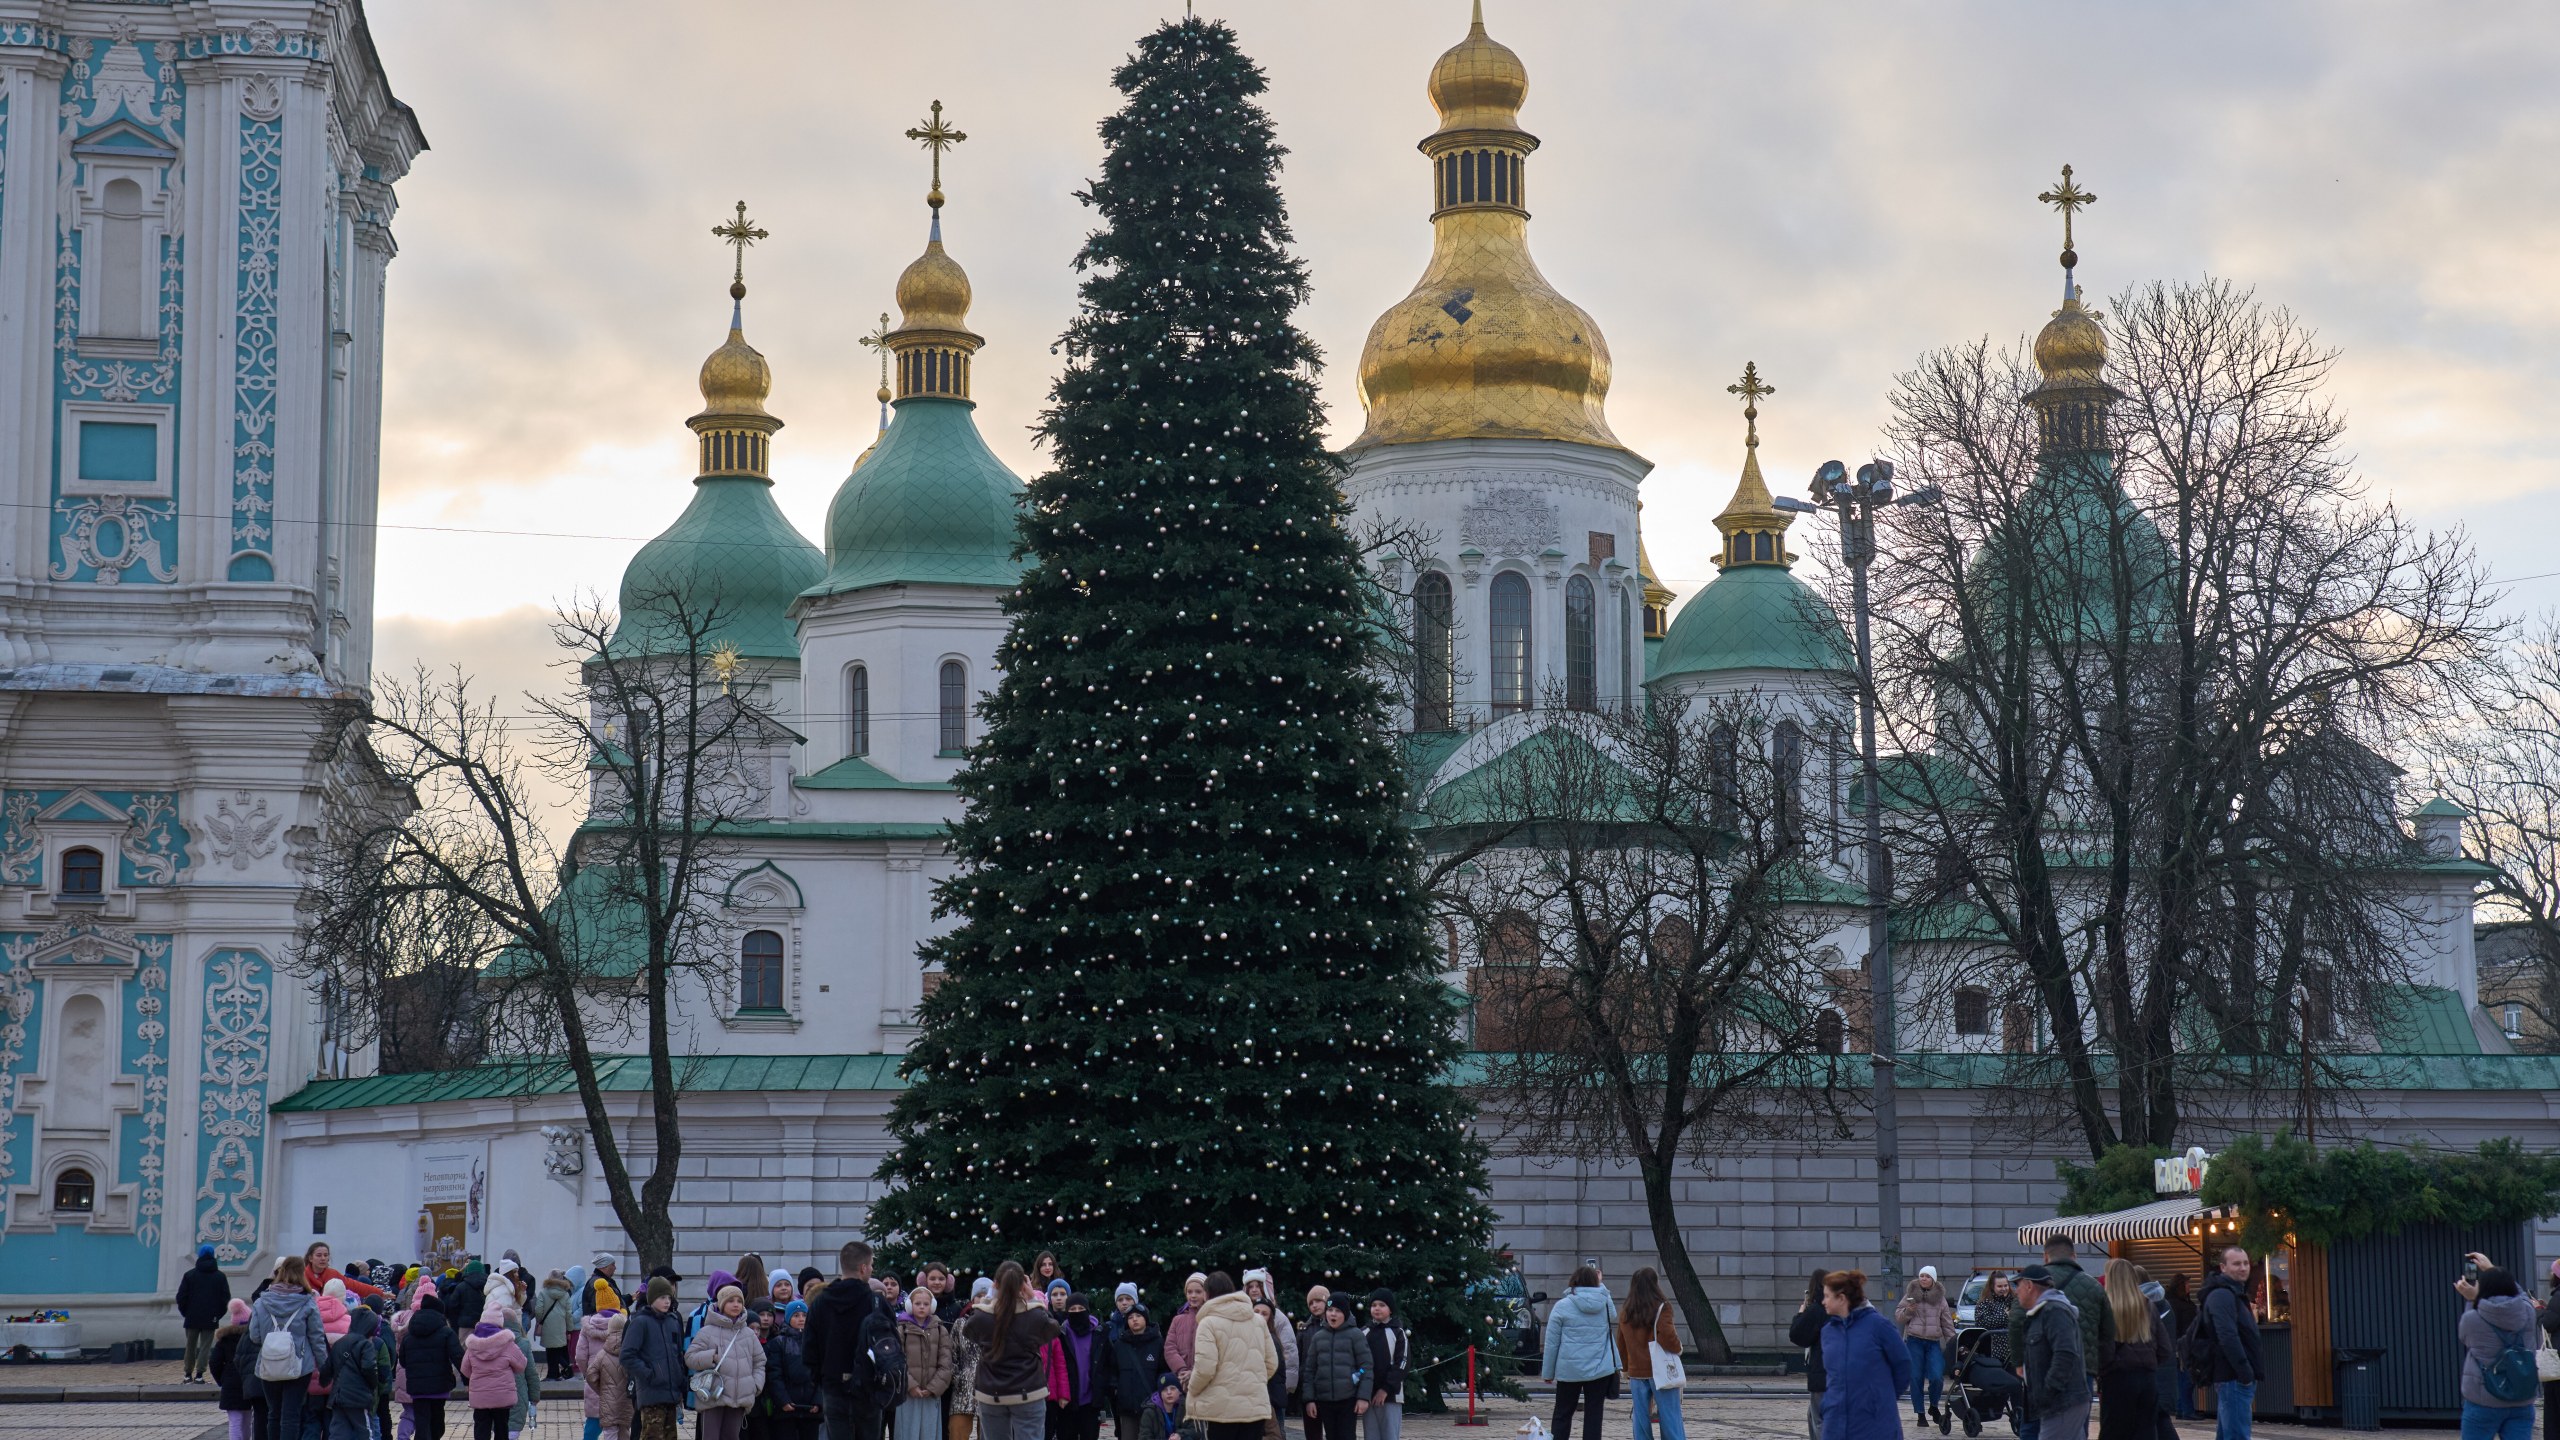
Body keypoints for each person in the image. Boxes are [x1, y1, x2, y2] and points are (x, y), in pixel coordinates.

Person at [963, 1261, 1064, 1440]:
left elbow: (969, 1329)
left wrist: (989, 1298)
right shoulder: (1033, 1316)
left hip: (991, 1392)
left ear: (995, 1285)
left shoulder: (983, 1317)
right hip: (1029, 1391)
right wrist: (1034, 1299)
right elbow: (1053, 1328)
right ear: (1023, 1285)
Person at [1817, 1270, 1909, 1440]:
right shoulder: (1828, 1332)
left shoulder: (1879, 1326)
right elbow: (1832, 1376)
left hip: (1874, 1424)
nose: (1823, 1301)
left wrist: (1881, 1399)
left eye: (1827, 1296)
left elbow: (1903, 1364)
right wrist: (1828, 1404)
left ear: (1841, 1298)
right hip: (1835, 1425)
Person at [1188, 1272, 1280, 1440]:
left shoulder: (1208, 1323)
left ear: (1207, 1294)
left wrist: (1193, 1389)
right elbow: (1272, 1362)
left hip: (1222, 1408)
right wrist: (1251, 1381)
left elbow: (1205, 1368)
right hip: (1255, 1406)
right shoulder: (1258, 1321)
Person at [807, 1242, 884, 1440]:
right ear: (863, 1268)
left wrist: (823, 1379)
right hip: (868, 1388)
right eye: (871, 1265)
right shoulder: (876, 1303)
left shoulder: (820, 1303)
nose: (872, 1269)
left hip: (832, 1386)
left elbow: (809, 1351)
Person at [2457, 1256, 2539, 1440]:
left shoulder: (2473, 1318)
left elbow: (2465, 1337)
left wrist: (2472, 1299)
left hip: (2483, 1397)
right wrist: (2492, 1268)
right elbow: (2522, 1296)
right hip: (2521, 1398)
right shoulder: (2528, 1312)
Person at [250, 1254, 330, 1440]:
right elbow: (317, 1337)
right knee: (291, 1415)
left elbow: (254, 1335)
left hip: (269, 1363)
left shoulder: (262, 1302)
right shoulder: (307, 1301)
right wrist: (324, 1365)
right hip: (300, 1365)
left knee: (274, 1413)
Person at [1541, 1265, 1620, 1440]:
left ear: (1574, 1281)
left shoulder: (1562, 1306)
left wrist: (1548, 1372)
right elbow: (1613, 1316)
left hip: (1569, 1369)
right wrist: (1602, 1286)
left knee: (1562, 1413)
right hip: (1599, 1369)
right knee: (1594, 1415)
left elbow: (1552, 1343)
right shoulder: (1605, 1303)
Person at [2192, 1246, 2262, 1440]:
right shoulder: (2223, 1295)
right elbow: (2227, 1336)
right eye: (2237, 1263)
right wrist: (2245, 1372)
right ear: (2223, 1267)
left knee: (2229, 1434)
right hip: (2233, 1376)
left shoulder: (2233, 1293)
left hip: (2234, 1377)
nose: (2243, 1268)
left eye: (2246, 1263)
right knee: (2236, 1435)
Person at [687, 1283, 771, 1440]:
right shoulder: (707, 1331)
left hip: (739, 1398)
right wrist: (711, 1357)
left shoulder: (748, 1334)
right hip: (713, 1397)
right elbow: (690, 1358)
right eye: (731, 1300)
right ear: (722, 1303)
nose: (736, 1304)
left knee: (732, 1436)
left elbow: (760, 1362)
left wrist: (755, 1385)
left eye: (739, 1301)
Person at [2015, 1266, 2089, 1440]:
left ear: (2029, 1286)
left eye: (2018, 1285)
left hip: (2062, 1402)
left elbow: (2065, 1354)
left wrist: (2048, 1391)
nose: (2015, 1291)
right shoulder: (2042, 1313)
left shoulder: (2054, 1311)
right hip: (2059, 1402)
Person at [2096, 1259, 2167, 1440]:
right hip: (2147, 1379)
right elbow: (2165, 1348)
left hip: (2117, 1379)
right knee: (2146, 1430)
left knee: (2114, 1431)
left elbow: (2105, 1350)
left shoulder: (2107, 1308)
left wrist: (2104, 1370)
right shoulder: (2148, 1306)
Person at [1618, 1268, 1684, 1440]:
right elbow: (1668, 1336)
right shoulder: (1662, 1307)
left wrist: (1625, 1368)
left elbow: (1621, 1342)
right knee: (1670, 1417)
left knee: (1640, 1419)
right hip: (1660, 1371)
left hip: (1636, 1371)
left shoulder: (1626, 1310)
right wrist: (1678, 1348)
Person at [623, 1276, 690, 1440]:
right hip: (651, 1393)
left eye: (669, 1297)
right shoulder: (640, 1322)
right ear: (652, 1298)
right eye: (662, 1297)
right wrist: (649, 1374)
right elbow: (627, 1356)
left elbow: (677, 1354)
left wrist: (680, 1379)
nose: (667, 1301)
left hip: (671, 1392)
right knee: (652, 1435)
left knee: (670, 1436)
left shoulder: (673, 1321)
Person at [1895, 1265, 1957, 1430]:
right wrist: (1908, 1311)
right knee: (1915, 1377)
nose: (1923, 1279)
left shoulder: (1940, 1299)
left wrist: (1954, 1343)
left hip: (1933, 1342)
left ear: (1933, 1279)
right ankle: (1920, 1413)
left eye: (1927, 1276)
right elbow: (1899, 1316)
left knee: (1937, 1376)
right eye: (1921, 1275)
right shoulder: (1910, 1294)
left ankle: (1934, 1406)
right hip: (1914, 1341)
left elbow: (1947, 1324)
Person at [1298, 1295, 1366, 1440]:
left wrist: (1363, 1396)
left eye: (1337, 1310)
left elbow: (1366, 1367)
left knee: (1346, 1436)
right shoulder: (1318, 1337)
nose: (1333, 1314)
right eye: (1330, 1310)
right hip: (1325, 1400)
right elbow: (1309, 1371)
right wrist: (1309, 1399)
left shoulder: (1356, 1335)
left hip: (1348, 1399)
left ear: (1345, 1314)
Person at [402, 1284, 465, 1440]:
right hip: (439, 1385)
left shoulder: (410, 1334)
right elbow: (457, 1356)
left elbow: (403, 1360)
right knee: (437, 1421)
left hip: (417, 1388)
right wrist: (468, 1378)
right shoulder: (446, 1332)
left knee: (422, 1423)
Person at [463, 1294, 529, 1440]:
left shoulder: (472, 1345)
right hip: (502, 1396)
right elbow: (522, 1365)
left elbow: (465, 1369)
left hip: (480, 1396)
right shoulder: (507, 1343)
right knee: (501, 1428)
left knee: (481, 1428)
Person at [324, 1304, 394, 1440]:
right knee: (365, 1431)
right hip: (358, 1396)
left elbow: (329, 1367)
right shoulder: (367, 1343)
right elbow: (369, 1368)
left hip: (339, 1395)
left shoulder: (342, 1341)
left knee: (338, 1431)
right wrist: (373, 1384)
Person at [897, 1285, 956, 1440]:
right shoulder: (901, 1329)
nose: (922, 1307)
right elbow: (897, 1360)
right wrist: (911, 1385)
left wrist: (933, 1388)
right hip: (909, 1394)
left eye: (926, 1304)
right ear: (910, 1305)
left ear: (932, 1306)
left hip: (931, 1394)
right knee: (907, 1433)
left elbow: (946, 1362)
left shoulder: (940, 1330)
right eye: (917, 1303)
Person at [1047, 1292, 1108, 1440]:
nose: (1077, 1312)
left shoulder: (1099, 1334)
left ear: (1087, 1310)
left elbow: (1107, 1365)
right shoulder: (1061, 1333)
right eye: (1072, 1309)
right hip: (1067, 1400)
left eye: (1080, 1308)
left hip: (1091, 1401)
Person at [1107, 1306, 1167, 1440]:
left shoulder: (1158, 1343)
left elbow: (1163, 1372)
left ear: (1146, 1319)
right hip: (1127, 1405)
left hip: (1153, 1405)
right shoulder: (1119, 1345)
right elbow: (1112, 1371)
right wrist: (1116, 1390)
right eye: (1130, 1317)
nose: (1134, 1320)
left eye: (1138, 1316)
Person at [179, 1243, 235, 1384]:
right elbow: (225, 1299)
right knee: (205, 1346)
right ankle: (199, 1374)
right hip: (211, 1317)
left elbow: (181, 1297)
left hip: (192, 1316)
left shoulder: (189, 1275)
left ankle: (187, 1373)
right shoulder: (220, 1277)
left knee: (190, 1345)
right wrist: (218, 1314)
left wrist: (186, 1312)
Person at [767, 1300, 823, 1440]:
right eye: (796, 1315)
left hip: (811, 1409)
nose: (801, 1319)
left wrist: (818, 1401)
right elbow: (774, 1374)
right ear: (788, 1318)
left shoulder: (817, 1342)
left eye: (804, 1315)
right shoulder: (778, 1343)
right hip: (786, 1410)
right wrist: (783, 1400)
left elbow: (822, 1374)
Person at [1789, 1268, 1829, 1440]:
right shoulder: (1844, 1308)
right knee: (1814, 1416)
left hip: (1822, 1372)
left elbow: (1798, 1335)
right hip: (1843, 1373)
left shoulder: (1817, 1310)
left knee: (1819, 1419)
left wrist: (1800, 1314)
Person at [583, 1308, 634, 1440]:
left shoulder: (602, 1354)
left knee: (610, 1433)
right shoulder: (631, 1352)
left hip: (607, 1401)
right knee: (625, 1431)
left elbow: (590, 1374)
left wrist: (601, 1388)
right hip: (626, 1401)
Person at [952, 1279, 994, 1440]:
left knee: (988, 1434)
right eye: (979, 1296)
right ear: (973, 1299)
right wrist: (958, 1377)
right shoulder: (961, 1323)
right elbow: (952, 1354)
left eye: (987, 1295)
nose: (983, 1299)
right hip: (963, 1390)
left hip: (991, 1388)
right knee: (957, 1432)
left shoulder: (998, 1323)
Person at [215, 1298, 260, 1440]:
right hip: (249, 1382)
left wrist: (221, 1379)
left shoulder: (225, 1340)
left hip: (230, 1383)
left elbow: (214, 1362)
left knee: (234, 1421)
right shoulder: (254, 1338)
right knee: (247, 1420)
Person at [2162, 1275, 2198, 1421]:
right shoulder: (2178, 1304)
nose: (2190, 1286)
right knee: (2186, 1378)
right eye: (2187, 1283)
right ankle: (2186, 1410)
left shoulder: (2173, 1303)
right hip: (2182, 1345)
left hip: (2179, 1345)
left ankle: (2182, 1409)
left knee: (2182, 1378)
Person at [1164, 1275, 1208, 1390]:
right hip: (1180, 1380)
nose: (1193, 1295)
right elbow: (1170, 1348)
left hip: (1205, 1381)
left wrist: (1194, 1372)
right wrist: (1182, 1370)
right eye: (1189, 1292)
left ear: (1206, 1293)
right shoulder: (1177, 1320)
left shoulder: (1211, 1318)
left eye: (1198, 1292)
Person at [535, 1271, 579, 1380]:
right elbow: (569, 1314)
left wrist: (540, 1320)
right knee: (560, 1350)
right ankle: (561, 1373)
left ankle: (553, 1374)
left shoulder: (543, 1293)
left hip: (548, 1327)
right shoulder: (565, 1294)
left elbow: (538, 1310)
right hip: (561, 1327)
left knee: (550, 1351)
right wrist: (569, 1329)